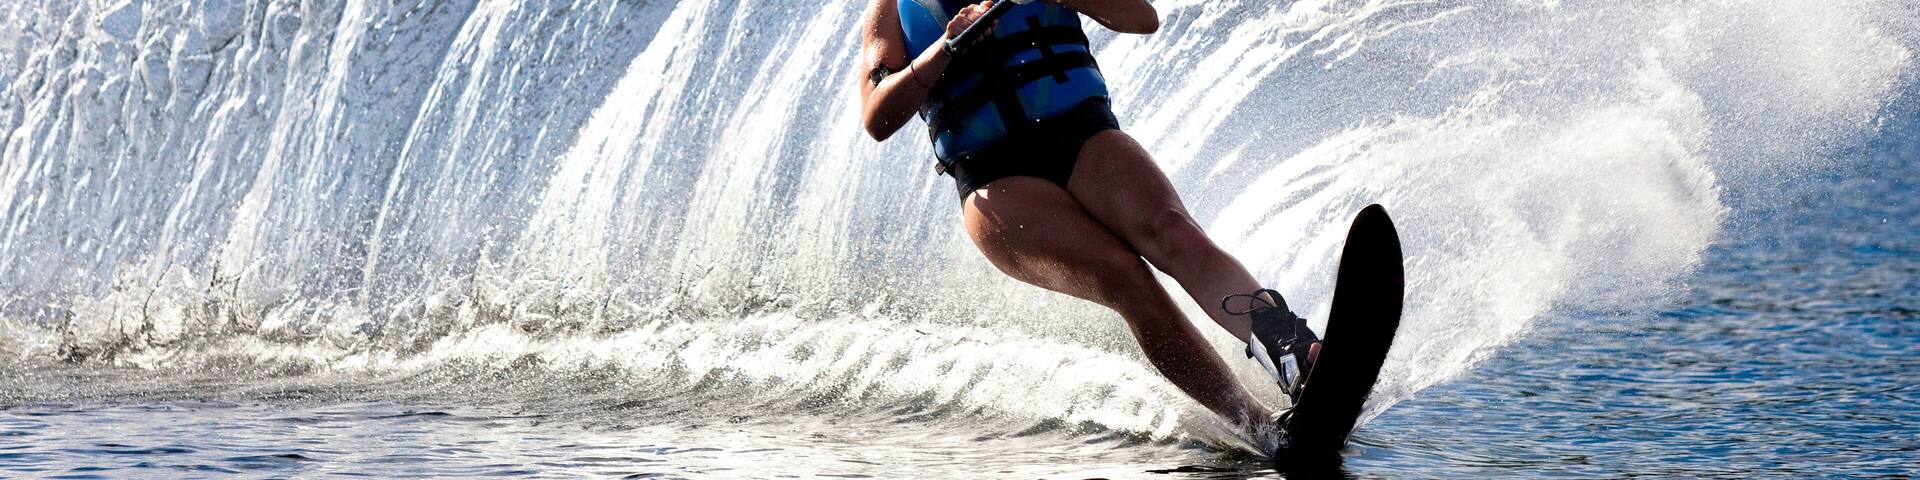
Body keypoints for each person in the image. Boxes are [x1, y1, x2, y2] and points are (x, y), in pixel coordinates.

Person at [855, 0, 1321, 429]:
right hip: (993, 180)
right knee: (1126, 278)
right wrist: (946, 49)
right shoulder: (891, 9)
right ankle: (1257, 423)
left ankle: (1293, 352)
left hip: (1086, 138)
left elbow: (1143, 17)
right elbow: (877, 116)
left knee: (1173, 232)